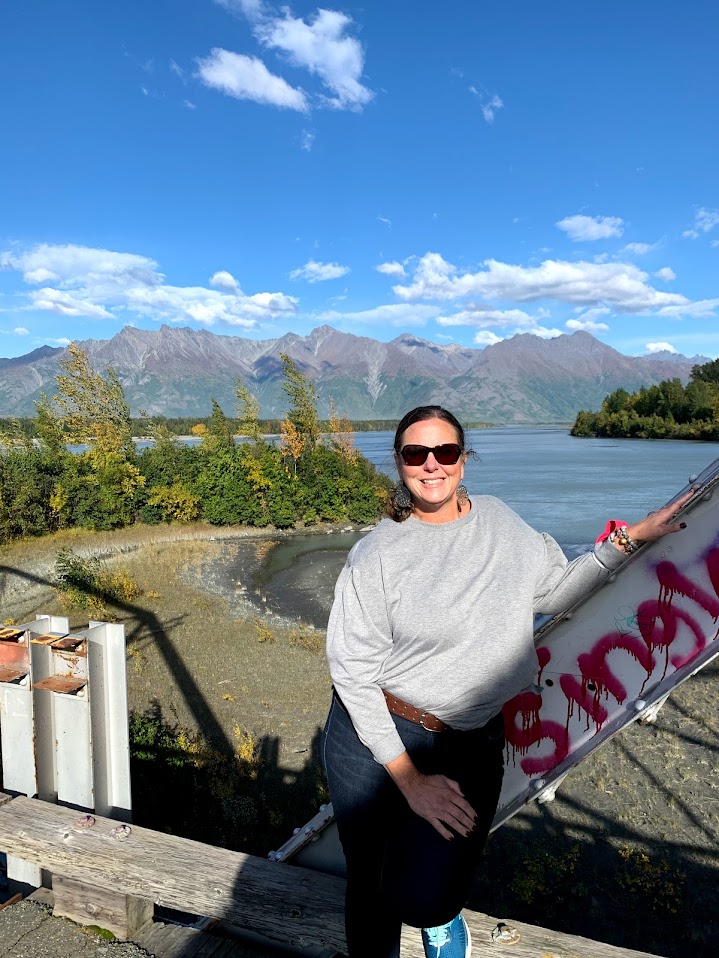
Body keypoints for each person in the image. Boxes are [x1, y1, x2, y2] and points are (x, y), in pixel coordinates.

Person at [321, 405, 691, 958]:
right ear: (399, 465)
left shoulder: (499, 521)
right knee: (369, 883)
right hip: (373, 734)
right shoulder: (377, 553)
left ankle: (440, 920)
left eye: (444, 452)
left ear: (464, 461)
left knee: (426, 898)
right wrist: (409, 779)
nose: (430, 466)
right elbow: (350, 668)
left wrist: (627, 539)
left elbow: (551, 592)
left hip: (471, 738)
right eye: (415, 454)